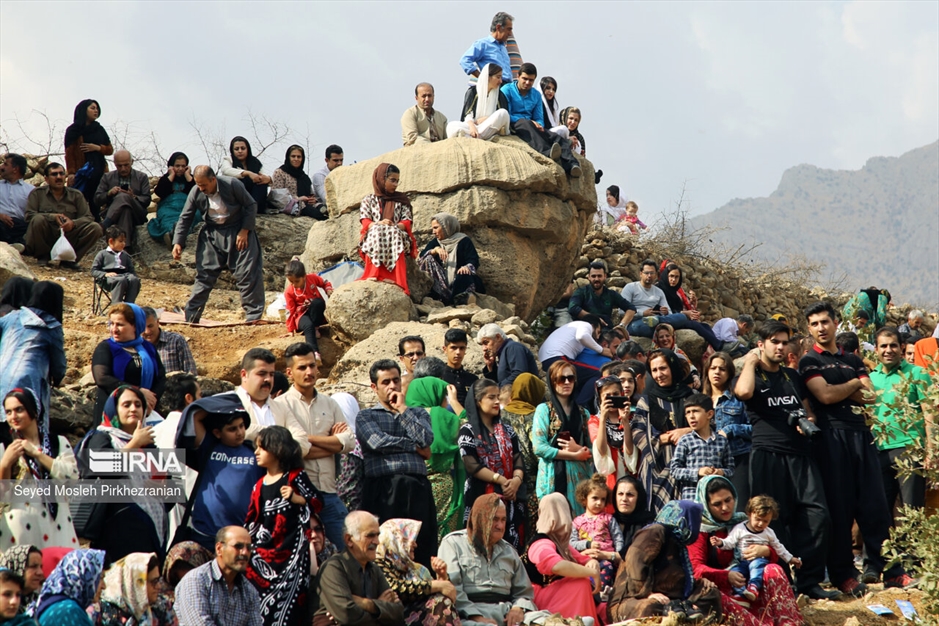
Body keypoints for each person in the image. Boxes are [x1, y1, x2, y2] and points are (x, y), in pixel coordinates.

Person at [800, 301, 913, 593]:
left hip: (862, 435)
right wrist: (853, 384)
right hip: (832, 438)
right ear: (809, 329)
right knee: (841, 508)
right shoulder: (809, 361)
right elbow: (823, 395)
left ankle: (890, 570)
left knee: (875, 506)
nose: (820, 328)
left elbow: (871, 396)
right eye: (814, 324)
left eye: (825, 321)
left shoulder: (852, 358)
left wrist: (845, 387)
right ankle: (843, 575)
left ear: (836, 322)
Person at [734, 320, 835, 600]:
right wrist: (751, 363)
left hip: (801, 455)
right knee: (773, 521)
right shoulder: (751, 375)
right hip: (767, 454)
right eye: (774, 342)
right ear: (761, 344)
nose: (780, 347)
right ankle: (781, 582)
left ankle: (810, 580)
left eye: (784, 342)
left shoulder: (792, 376)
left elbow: (808, 411)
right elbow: (742, 393)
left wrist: (808, 421)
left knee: (818, 515)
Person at [690, 476, 804, 626]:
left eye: (728, 500)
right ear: (706, 505)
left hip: (752, 584)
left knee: (773, 569)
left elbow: (773, 550)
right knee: (713, 596)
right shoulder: (700, 530)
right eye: (717, 504)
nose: (725, 508)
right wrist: (727, 576)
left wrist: (767, 551)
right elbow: (695, 568)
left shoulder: (745, 522)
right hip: (723, 588)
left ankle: (789, 621)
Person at [356, 360, 437, 568]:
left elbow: (426, 440)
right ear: (374, 387)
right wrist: (414, 447)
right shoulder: (366, 416)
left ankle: (423, 591)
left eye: (395, 380)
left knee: (421, 545)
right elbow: (376, 442)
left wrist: (403, 409)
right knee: (383, 546)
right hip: (383, 489)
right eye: (385, 382)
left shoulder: (417, 413)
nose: (392, 386)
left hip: (417, 488)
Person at [276, 342, 354, 549]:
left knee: (347, 552)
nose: (309, 371)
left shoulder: (330, 404)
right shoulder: (281, 406)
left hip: (329, 494)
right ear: (289, 372)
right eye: (302, 367)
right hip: (296, 494)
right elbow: (290, 452)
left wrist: (307, 439)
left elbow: (349, 442)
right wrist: (333, 443)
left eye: (312, 366)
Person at [78, 386, 168, 564]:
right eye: (126, 405)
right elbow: (102, 468)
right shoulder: (101, 437)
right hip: (117, 528)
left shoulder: (148, 444)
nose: (133, 409)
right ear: (114, 410)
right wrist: (134, 443)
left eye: (138, 405)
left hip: (152, 529)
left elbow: (168, 485)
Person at [245, 425, 323, 626]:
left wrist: (298, 498)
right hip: (265, 556)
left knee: (292, 609)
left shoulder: (295, 477)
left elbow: (318, 501)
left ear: (277, 449)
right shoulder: (258, 485)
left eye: (261, 448)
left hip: (293, 556)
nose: (256, 452)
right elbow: (253, 521)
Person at [172, 165, 265, 323]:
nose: (201, 188)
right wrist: (178, 242)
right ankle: (191, 315)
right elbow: (185, 217)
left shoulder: (232, 184)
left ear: (213, 180)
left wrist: (245, 231)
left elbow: (251, 205)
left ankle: (253, 316)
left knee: (247, 272)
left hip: (238, 231)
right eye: (198, 185)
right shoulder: (195, 192)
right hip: (212, 234)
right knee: (204, 275)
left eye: (204, 185)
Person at [175, 394, 265, 551]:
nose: (239, 432)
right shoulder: (209, 447)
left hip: (242, 535)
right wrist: (225, 407)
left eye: (241, 426)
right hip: (206, 533)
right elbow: (195, 413)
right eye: (232, 429)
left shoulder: (255, 451)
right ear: (217, 433)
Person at [606, 500, 719, 622]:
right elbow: (635, 560)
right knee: (653, 608)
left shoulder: (677, 543)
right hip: (631, 599)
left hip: (670, 600)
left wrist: (701, 584)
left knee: (712, 595)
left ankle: (685, 610)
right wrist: (647, 594)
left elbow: (674, 578)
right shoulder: (656, 531)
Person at [438, 494, 537, 626]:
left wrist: (518, 608)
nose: (500, 526)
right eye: (494, 519)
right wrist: (476, 617)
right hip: (467, 615)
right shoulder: (453, 544)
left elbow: (523, 592)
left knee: (547, 621)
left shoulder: (509, 551)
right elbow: (452, 588)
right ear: (480, 519)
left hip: (505, 614)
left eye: (503, 520)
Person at [0, 388, 78, 548]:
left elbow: (72, 478)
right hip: (21, 527)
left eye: (19, 410)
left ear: (34, 411)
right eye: (8, 412)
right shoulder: (5, 446)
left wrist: (37, 454)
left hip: (58, 525)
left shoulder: (57, 442)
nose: (13, 417)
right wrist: (5, 463)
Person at [869, 326, 934, 513]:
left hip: (910, 451)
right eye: (883, 346)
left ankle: (912, 543)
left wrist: (931, 450)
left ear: (902, 347)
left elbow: (929, 413)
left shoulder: (918, 374)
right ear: (876, 349)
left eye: (893, 346)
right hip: (879, 452)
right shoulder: (870, 379)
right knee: (881, 511)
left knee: (911, 509)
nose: (888, 350)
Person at [459, 379, 526, 549]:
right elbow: (471, 464)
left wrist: (516, 481)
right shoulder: (468, 430)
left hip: (511, 495)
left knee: (511, 545)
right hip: (481, 494)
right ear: (477, 400)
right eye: (491, 397)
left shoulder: (507, 429)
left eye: (498, 397)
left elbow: (518, 458)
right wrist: (501, 480)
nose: (497, 401)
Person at [312, 511, 404, 626]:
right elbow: (347, 616)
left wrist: (367, 604)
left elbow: (399, 613)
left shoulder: (374, 569)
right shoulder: (334, 567)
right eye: (370, 536)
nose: (376, 542)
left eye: (377, 535)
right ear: (349, 540)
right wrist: (381, 607)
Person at [632, 349, 695, 512]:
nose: (659, 374)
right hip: (657, 467)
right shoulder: (646, 400)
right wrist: (663, 439)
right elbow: (637, 432)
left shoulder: (691, 397)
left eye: (663, 368)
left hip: (688, 466)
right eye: (654, 370)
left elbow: (709, 426)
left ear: (673, 368)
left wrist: (687, 431)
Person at [405, 377, 465, 542]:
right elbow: (470, 429)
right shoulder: (445, 418)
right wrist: (454, 401)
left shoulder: (402, 419)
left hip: (410, 487)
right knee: (444, 541)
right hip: (443, 488)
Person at [0, 282, 67, 431]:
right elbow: (59, 365)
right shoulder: (51, 326)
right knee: (22, 429)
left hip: (1, 372)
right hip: (27, 381)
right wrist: (58, 377)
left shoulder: (12, 317)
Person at [710, 495, 802, 604]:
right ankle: (742, 594)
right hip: (742, 561)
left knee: (756, 566)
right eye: (758, 519)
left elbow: (778, 547)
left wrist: (790, 559)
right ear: (749, 514)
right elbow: (730, 542)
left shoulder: (768, 533)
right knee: (735, 574)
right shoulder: (740, 528)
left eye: (765, 521)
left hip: (759, 559)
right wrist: (720, 542)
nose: (760, 524)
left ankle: (753, 587)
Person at [525, 493, 601, 623]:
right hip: (539, 597)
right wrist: (592, 573)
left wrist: (592, 561)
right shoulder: (540, 543)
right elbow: (556, 565)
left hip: (555, 593)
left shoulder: (560, 543)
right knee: (580, 584)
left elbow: (581, 559)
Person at [532, 361, 593, 515]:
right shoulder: (544, 410)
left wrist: (578, 450)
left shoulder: (583, 413)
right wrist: (573, 455)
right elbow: (539, 447)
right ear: (552, 382)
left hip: (580, 479)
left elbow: (593, 449)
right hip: (552, 476)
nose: (566, 382)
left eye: (570, 378)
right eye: (561, 379)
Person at [501, 63, 581, 178]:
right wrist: (530, 122)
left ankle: (572, 165)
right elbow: (506, 113)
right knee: (526, 123)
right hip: (514, 123)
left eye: (531, 80)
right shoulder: (506, 90)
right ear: (518, 76)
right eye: (525, 79)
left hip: (531, 124)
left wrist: (539, 124)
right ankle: (548, 152)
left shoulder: (536, 95)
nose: (527, 83)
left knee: (555, 137)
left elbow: (539, 116)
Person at [621, 260, 724, 350]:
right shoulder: (630, 288)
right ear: (640, 274)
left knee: (682, 317)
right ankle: (657, 321)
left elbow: (670, 313)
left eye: (652, 273)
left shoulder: (658, 292)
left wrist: (665, 312)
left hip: (658, 319)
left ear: (656, 275)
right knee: (657, 325)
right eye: (646, 273)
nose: (649, 276)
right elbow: (622, 311)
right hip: (636, 323)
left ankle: (658, 321)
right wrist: (642, 313)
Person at [374, 519, 459, 625]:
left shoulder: (418, 569)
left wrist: (442, 576)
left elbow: (444, 596)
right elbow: (394, 588)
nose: (415, 545)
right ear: (395, 540)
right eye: (410, 539)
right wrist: (436, 585)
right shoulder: (378, 563)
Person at [173, 526, 263, 626]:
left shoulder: (249, 591)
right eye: (238, 546)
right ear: (219, 549)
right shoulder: (195, 580)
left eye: (249, 548)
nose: (245, 552)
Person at [91, 303, 166, 422]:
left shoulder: (148, 348)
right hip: (115, 413)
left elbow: (161, 377)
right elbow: (102, 378)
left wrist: (150, 401)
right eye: (111, 324)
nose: (114, 329)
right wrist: (139, 393)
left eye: (120, 325)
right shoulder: (106, 348)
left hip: (145, 412)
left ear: (135, 326)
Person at [24, 162, 103, 265]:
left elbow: (88, 217)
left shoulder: (76, 195)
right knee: (38, 219)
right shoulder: (37, 194)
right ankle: (43, 257)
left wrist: (73, 224)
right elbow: (29, 216)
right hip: (46, 236)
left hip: (69, 235)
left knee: (95, 228)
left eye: (61, 174)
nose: (59, 177)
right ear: (46, 179)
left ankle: (70, 260)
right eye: (54, 174)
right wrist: (52, 217)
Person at [357, 163, 416, 295]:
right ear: (382, 179)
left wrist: (393, 225)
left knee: (392, 232)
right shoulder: (368, 200)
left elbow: (407, 221)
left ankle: (396, 279)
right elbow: (365, 221)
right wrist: (379, 224)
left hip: (397, 233)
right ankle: (375, 274)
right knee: (377, 231)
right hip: (374, 232)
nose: (396, 185)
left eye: (397, 181)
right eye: (392, 180)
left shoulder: (401, 200)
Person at [703, 352, 751, 507]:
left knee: (738, 507)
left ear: (729, 373)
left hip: (738, 459)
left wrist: (732, 429)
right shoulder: (699, 399)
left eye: (722, 369)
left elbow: (755, 428)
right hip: (708, 463)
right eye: (713, 368)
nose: (717, 372)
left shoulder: (738, 399)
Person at [499, 373, 546, 530]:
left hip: (502, 482)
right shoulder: (536, 417)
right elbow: (539, 452)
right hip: (531, 484)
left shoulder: (498, 415)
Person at [669, 393, 734, 500]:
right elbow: (674, 470)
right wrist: (698, 472)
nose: (691, 416)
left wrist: (721, 472)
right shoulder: (685, 440)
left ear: (709, 414)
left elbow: (730, 468)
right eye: (688, 413)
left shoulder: (722, 441)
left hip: (716, 497)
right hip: (692, 496)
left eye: (695, 411)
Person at [419, 213, 485, 305]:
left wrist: (466, 267)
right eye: (433, 228)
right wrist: (436, 250)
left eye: (436, 228)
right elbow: (422, 256)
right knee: (428, 258)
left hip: (459, 280)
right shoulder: (435, 242)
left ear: (446, 227)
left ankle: (459, 300)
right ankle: (438, 296)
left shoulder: (464, 241)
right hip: (442, 285)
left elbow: (473, 260)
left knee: (463, 275)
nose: (433, 232)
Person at [570, 475, 624, 588]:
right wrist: (587, 544)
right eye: (595, 498)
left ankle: (600, 592)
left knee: (607, 568)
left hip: (606, 559)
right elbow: (571, 543)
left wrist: (619, 556)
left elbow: (618, 538)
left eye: (603, 499)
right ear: (584, 499)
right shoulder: (577, 522)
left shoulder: (608, 519)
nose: (599, 503)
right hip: (584, 560)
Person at [588, 376, 638, 496]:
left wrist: (625, 421)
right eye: (607, 396)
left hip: (632, 475)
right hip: (609, 478)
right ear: (599, 398)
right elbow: (601, 450)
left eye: (615, 394)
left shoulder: (633, 418)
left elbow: (631, 451)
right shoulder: (595, 420)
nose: (612, 398)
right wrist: (603, 419)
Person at [95, 552, 175, 626]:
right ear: (136, 585)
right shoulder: (105, 612)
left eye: (158, 580)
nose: (159, 586)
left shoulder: (162, 606)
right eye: (154, 582)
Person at [30, 549, 105, 626]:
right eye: (100, 578)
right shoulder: (69, 611)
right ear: (83, 576)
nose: (104, 586)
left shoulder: (54, 603)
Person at [93, 149, 150, 251]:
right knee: (125, 210)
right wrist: (109, 193)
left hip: (137, 213)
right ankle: (125, 249)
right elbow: (97, 199)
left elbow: (147, 200)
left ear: (131, 162)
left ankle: (105, 224)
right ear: (115, 164)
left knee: (123, 196)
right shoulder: (107, 177)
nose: (123, 168)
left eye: (126, 165)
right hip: (116, 213)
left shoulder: (142, 177)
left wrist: (133, 197)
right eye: (119, 166)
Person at [64, 99, 113, 214]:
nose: (96, 111)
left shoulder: (99, 129)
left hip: (99, 169)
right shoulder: (73, 130)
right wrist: (71, 172)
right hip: (82, 170)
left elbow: (110, 149)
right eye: (92, 108)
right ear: (83, 110)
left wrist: (98, 148)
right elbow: (69, 153)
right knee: (78, 200)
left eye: (97, 109)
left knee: (97, 198)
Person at [447, 63, 511, 140]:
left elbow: (503, 120)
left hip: (490, 127)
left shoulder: (500, 95)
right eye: (498, 77)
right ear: (488, 77)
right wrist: (473, 127)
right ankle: (476, 135)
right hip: (474, 126)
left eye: (501, 77)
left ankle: (473, 136)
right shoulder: (473, 91)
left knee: (503, 113)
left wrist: (487, 118)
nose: (501, 81)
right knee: (451, 126)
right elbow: (468, 115)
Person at [282, 260, 332, 358]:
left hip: (315, 314)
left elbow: (324, 282)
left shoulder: (312, 278)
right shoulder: (289, 291)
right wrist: (290, 329)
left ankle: (316, 327)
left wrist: (328, 290)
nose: (294, 284)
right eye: (291, 282)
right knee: (308, 326)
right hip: (301, 316)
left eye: (297, 281)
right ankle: (314, 353)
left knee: (318, 302)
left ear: (304, 276)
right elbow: (290, 310)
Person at [568, 259, 636, 329]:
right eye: (593, 276)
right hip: (585, 329)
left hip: (605, 331)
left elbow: (631, 308)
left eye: (599, 276)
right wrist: (595, 319)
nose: (596, 279)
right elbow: (573, 308)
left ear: (605, 276)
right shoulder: (581, 292)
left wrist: (621, 326)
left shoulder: (611, 294)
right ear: (589, 277)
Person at [149, 151, 198, 245]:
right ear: (171, 166)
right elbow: (160, 192)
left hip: (186, 205)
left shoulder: (191, 179)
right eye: (177, 166)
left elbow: (197, 193)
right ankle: (171, 233)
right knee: (167, 218)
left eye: (183, 166)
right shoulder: (166, 179)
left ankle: (177, 237)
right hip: (168, 207)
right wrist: (171, 175)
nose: (180, 169)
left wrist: (188, 176)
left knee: (190, 218)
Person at [271, 144, 327, 219]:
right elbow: (277, 197)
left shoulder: (304, 177)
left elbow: (311, 194)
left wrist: (312, 200)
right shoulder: (280, 173)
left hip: (307, 205)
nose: (296, 159)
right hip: (292, 206)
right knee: (318, 216)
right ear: (288, 157)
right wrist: (298, 199)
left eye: (299, 157)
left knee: (325, 209)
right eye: (293, 156)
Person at [459, 13, 515, 85]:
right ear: (498, 27)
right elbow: (464, 60)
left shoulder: (503, 47)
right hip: (494, 86)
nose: (510, 33)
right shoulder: (483, 44)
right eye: (508, 29)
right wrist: (481, 77)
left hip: (507, 87)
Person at [91, 225, 141, 304]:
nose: (123, 244)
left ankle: (129, 305)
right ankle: (116, 306)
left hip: (124, 276)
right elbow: (94, 270)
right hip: (108, 280)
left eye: (124, 241)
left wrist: (133, 277)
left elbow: (132, 270)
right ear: (111, 241)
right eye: (121, 241)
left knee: (134, 280)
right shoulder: (102, 254)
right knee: (120, 280)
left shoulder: (125, 255)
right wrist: (105, 274)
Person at [141, 307, 198, 375]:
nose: (147, 331)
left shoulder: (175, 341)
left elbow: (190, 373)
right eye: (142, 327)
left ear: (158, 322)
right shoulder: (135, 347)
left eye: (150, 326)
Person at [221, 136, 271, 209]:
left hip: (253, 196)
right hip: (236, 196)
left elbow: (263, 175)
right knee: (239, 182)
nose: (240, 151)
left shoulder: (255, 162)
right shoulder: (228, 160)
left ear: (248, 149)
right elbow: (226, 170)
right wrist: (247, 173)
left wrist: (268, 179)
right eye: (236, 149)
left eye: (243, 148)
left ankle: (253, 207)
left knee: (261, 184)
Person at [612, 476, 655, 556]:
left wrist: (609, 556)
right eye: (620, 494)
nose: (624, 499)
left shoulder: (649, 524)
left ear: (639, 498)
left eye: (630, 495)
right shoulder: (607, 521)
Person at [0, 545, 44, 615]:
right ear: (16, 567)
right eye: (33, 566)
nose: (40, 572)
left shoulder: (41, 602)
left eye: (41, 567)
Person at [0, 153, 32, 249]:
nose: (1, 167)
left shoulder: (31, 190)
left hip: (20, 225)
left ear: (15, 169)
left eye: (5, 164)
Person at [440, 329, 478, 407]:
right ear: (445, 349)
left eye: (462, 348)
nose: (458, 352)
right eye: (453, 348)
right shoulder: (439, 377)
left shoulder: (473, 379)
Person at [311, 145, 343, 209]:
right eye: (336, 160)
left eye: (341, 160)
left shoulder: (344, 172)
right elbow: (326, 199)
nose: (339, 163)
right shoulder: (319, 175)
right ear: (327, 160)